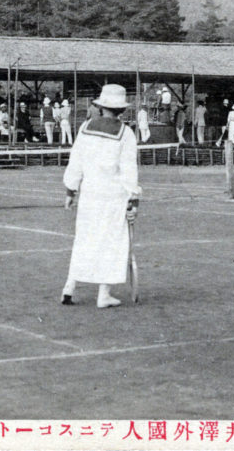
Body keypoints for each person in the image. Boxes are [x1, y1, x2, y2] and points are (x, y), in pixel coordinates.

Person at [60, 84, 141, 309]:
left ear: (101, 107)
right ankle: (103, 295)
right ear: (122, 109)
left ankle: (69, 287)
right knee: (111, 242)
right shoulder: (126, 134)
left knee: (84, 238)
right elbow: (129, 170)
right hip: (113, 197)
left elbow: (75, 161)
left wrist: (70, 190)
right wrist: (133, 200)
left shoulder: (85, 127)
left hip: (90, 195)